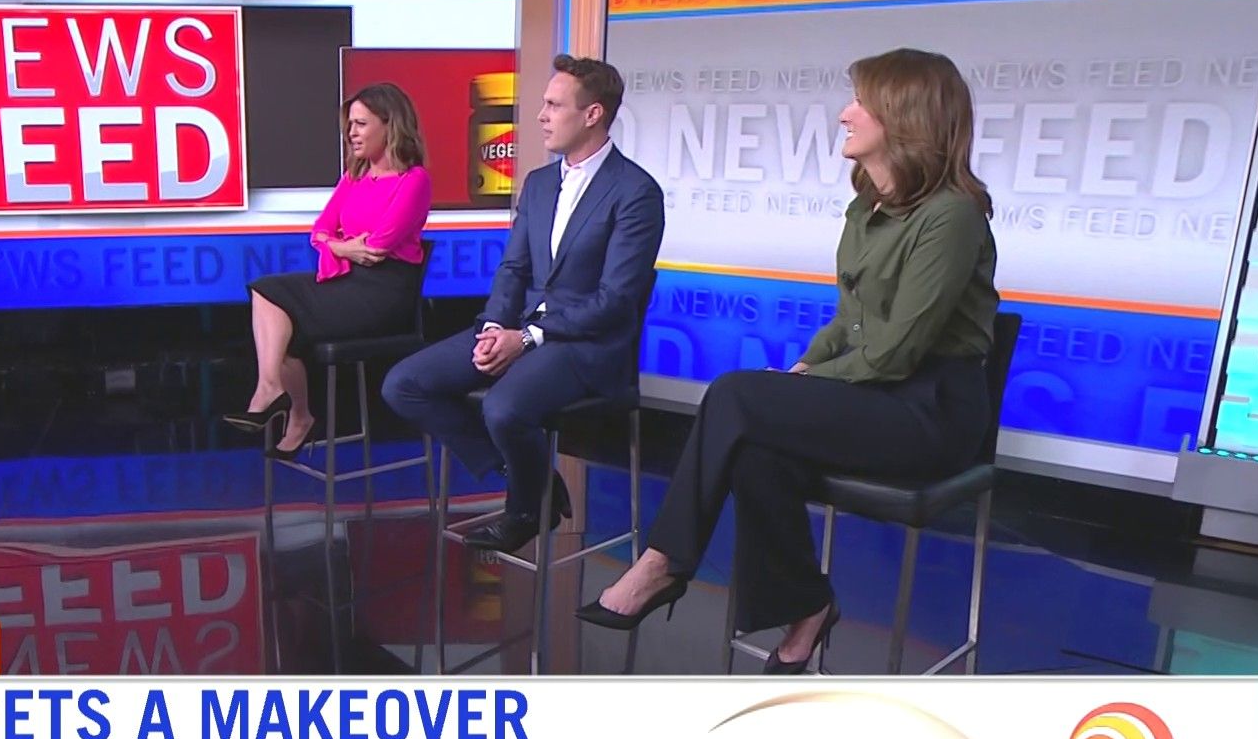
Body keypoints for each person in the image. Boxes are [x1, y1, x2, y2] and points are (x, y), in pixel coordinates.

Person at [578, 48, 1000, 675]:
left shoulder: (952, 217)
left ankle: (663, 561)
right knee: (753, 447)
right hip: (875, 396)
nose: (844, 114)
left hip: (930, 413)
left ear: (904, 116)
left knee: (735, 394)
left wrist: (809, 380)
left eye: (860, 103)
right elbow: (850, 322)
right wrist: (806, 368)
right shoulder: (867, 208)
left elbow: (896, 351)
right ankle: (806, 605)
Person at [384, 55, 663, 554]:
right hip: (519, 328)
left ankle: (524, 510)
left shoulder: (636, 192)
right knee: (404, 384)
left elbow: (616, 300)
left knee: (504, 408)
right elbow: (513, 269)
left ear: (593, 114)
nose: (541, 115)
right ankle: (529, 477)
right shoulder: (538, 183)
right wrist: (496, 326)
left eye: (554, 105)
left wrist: (528, 337)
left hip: (587, 346)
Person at [224, 83, 432, 459]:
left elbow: (378, 247)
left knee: (276, 303)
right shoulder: (353, 178)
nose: (351, 133)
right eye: (349, 124)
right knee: (269, 299)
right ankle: (286, 403)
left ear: (390, 125)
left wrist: (336, 244)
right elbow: (319, 231)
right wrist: (344, 247)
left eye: (361, 124)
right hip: (346, 283)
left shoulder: (413, 180)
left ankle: (283, 403)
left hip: (382, 295)